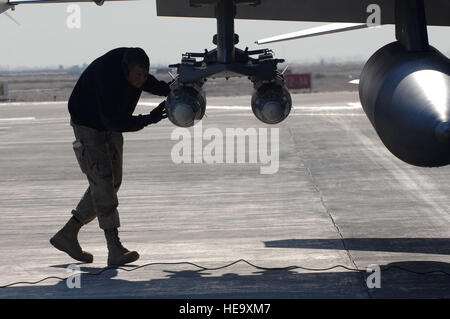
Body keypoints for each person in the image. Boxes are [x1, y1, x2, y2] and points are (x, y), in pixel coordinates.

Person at [50, 47, 170, 266]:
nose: (141, 80)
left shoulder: (134, 69)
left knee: (112, 181)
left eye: (144, 74)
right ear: (126, 70)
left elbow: (147, 82)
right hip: (89, 125)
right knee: (103, 181)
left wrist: (171, 90)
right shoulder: (107, 77)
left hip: (110, 123)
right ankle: (114, 248)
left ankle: (68, 234)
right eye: (138, 75)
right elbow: (113, 122)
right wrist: (148, 119)